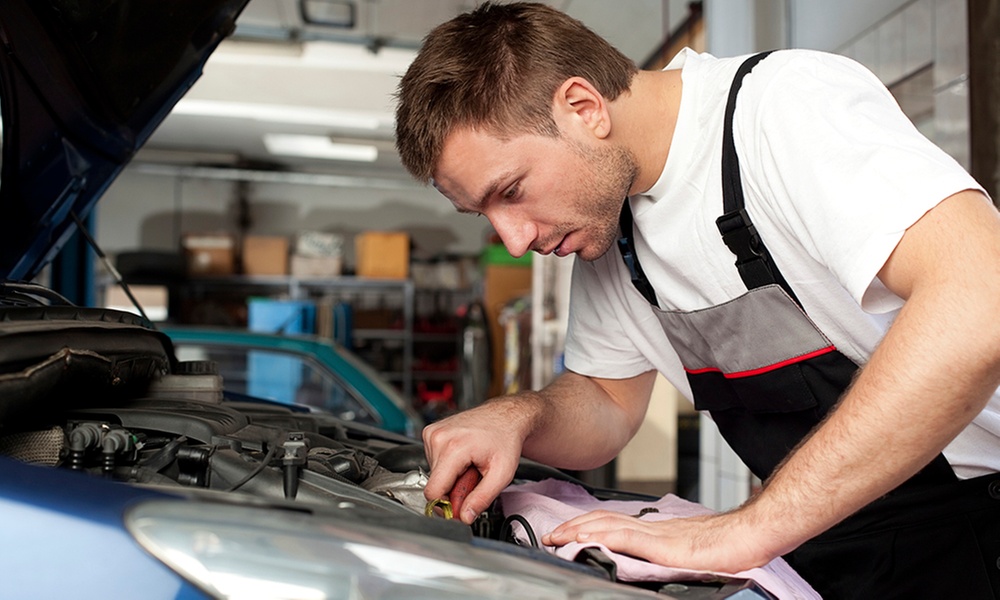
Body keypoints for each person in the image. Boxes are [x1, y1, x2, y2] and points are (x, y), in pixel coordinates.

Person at [393, 2, 1000, 598]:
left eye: (512, 191)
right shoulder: (611, 227)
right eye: (484, 215)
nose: (515, 240)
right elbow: (606, 402)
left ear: (583, 107)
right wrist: (519, 418)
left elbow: (980, 296)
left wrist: (750, 528)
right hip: (830, 540)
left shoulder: (780, 110)